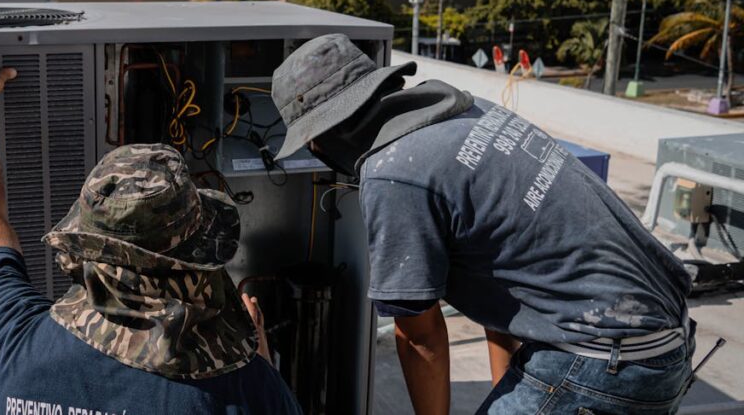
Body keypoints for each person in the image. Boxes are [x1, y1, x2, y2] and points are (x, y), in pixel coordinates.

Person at [270, 33, 695, 415]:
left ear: (321, 137)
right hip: (664, 344)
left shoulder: (394, 173)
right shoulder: (470, 112)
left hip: (603, 363)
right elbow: (502, 293)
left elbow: (421, 338)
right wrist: (510, 391)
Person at [0, 24, 300, 414]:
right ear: (195, 262)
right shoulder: (243, 390)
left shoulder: (14, 346)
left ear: (88, 245)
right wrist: (259, 360)